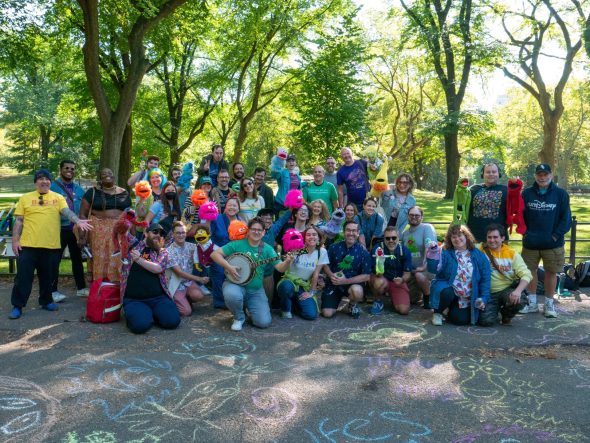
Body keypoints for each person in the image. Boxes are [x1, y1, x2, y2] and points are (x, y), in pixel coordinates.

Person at [8, 169, 93, 319]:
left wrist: (78, 221)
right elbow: (19, 221)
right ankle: (18, 305)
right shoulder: (25, 198)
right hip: (28, 245)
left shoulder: (58, 197)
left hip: (50, 245)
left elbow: (66, 212)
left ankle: (46, 301)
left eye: (47, 179)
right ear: (35, 182)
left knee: (48, 276)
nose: (44, 181)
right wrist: (15, 240)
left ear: (50, 182)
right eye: (40, 179)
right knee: (23, 277)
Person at [211, 217, 288, 331]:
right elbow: (214, 254)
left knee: (263, 322)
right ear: (248, 230)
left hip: (255, 290)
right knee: (232, 295)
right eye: (253, 229)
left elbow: (280, 268)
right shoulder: (237, 244)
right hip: (235, 284)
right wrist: (229, 267)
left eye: (259, 230)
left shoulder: (267, 249)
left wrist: (288, 261)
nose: (256, 232)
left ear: (263, 232)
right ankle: (239, 317)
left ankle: (249, 307)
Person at [520, 163, 572, 318]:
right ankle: (532, 303)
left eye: (545, 174)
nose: (542, 177)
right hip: (531, 242)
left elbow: (566, 219)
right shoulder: (526, 193)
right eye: (539, 175)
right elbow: (519, 215)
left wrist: (556, 235)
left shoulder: (561, 194)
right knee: (529, 272)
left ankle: (549, 305)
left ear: (551, 175)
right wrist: (525, 233)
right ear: (535, 176)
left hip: (553, 244)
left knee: (551, 273)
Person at [120, 223, 181, 333]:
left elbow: (157, 268)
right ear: (145, 233)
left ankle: (152, 314)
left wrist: (138, 259)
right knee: (140, 326)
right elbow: (122, 231)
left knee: (172, 322)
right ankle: (142, 314)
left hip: (158, 298)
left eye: (161, 234)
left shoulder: (162, 252)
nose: (158, 235)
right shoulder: (134, 246)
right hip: (135, 300)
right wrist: (128, 219)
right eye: (155, 232)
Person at [429, 224, 491, 326]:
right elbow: (433, 269)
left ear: (466, 236)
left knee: (460, 320)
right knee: (446, 292)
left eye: (459, 235)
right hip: (449, 290)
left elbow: (485, 279)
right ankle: (438, 312)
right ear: (450, 239)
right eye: (453, 237)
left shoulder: (479, 255)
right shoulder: (445, 252)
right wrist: (432, 254)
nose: (457, 239)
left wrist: (483, 298)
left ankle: (450, 308)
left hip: (466, 298)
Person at [79, 168, 132, 282]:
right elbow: (83, 215)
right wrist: (82, 236)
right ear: (100, 179)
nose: (107, 175)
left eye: (109, 173)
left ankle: (117, 288)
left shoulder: (124, 192)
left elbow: (130, 214)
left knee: (117, 257)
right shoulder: (92, 192)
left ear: (114, 176)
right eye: (103, 174)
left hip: (119, 230)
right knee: (100, 258)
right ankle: (99, 288)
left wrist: (131, 233)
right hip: (98, 231)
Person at [478, 224, 531, 326]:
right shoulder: (480, 249)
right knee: (486, 322)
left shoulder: (512, 253)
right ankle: (494, 309)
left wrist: (518, 291)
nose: (492, 240)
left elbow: (526, 275)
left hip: (506, 290)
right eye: (489, 237)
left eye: (495, 237)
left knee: (520, 300)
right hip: (488, 293)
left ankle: (506, 314)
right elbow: (462, 244)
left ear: (502, 238)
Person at [50, 160, 87, 301]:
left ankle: (81, 288)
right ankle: (52, 291)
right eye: (66, 168)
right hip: (58, 229)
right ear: (60, 170)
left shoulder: (79, 189)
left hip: (75, 230)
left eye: (72, 168)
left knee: (77, 259)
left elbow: (86, 206)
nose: (69, 170)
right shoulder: (52, 187)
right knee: (55, 260)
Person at [322, 220, 371, 319]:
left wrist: (345, 281)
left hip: (351, 284)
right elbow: (325, 264)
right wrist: (331, 275)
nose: (351, 233)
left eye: (354, 231)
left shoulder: (363, 252)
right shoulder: (333, 247)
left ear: (358, 233)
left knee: (357, 291)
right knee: (327, 313)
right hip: (334, 283)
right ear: (343, 232)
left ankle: (352, 304)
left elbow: (366, 276)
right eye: (348, 230)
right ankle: (331, 301)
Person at [277, 226, 328, 320]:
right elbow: (285, 267)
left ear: (318, 237)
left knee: (311, 315)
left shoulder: (322, 252)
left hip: (304, 285)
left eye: (314, 234)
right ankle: (286, 310)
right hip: (290, 282)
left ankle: (295, 304)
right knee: (286, 287)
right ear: (304, 237)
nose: (311, 237)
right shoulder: (297, 248)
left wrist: (311, 292)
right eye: (308, 235)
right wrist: (289, 259)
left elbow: (316, 274)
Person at [166, 222, 208, 316]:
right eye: (178, 233)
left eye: (183, 232)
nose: (181, 235)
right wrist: (200, 279)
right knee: (186, 312)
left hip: (188, 282)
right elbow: (179, 273)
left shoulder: (192, 246)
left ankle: (184, 299)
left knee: (198, 295)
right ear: (173, 234)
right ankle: (172, 301)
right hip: (176, 284)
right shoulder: (168, 251)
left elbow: (206, 253)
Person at [369, 226, 413, 315]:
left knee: (404, 310)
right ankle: (378, 301)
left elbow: (407, 273)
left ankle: (395, 298)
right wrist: (379, 269)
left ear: (398, 237)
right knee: (379, 282)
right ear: (383, 239)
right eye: (387, 238)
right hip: (381, 278)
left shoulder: (405, 251)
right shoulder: (377, 249)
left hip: (397, 281)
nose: (391, 241)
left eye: (394, 238)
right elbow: (372, 272)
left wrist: (402, 280)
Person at [401, 206, 437, 308]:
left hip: (427, 269)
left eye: (417, 215)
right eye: (411, 215)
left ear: (421, 217)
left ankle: (428, 298)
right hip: (412, 271)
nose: (414, 217)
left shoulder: (427, 228)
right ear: (408, 216)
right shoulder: (405, 234)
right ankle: (420, 290)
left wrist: (424, 266)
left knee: (420, 276)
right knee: (411, 299)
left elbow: (429, 247)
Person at [209, 197, 243, 308]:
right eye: (229, 205)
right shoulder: (216, 218)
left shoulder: (241, 222)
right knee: (218, 275)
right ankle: (219, 302)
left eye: (234, 206)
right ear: (225, 207)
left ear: (238, 208)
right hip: (218, 252)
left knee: (233, 276)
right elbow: (209, 234)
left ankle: (232, 299)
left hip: (234, 254)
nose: (232, 207)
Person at [467, 162, 508, 242]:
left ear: (498, 174)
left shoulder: (506, 190)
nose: (491, 174)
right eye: (488, 172)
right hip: (474, 238)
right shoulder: (473, 190)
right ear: (483, 174)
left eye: (494, 171)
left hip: (498, 239)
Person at [337, 147, 369, 212]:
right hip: (353, 204)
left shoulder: (362, 163)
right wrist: (341, 206)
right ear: (341, 157)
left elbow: (374, 172)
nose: (346, 155)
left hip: (368, 201)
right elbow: (340, 191)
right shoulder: (340, 171)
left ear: (352, 154)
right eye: (344, 154)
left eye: (348, 153)